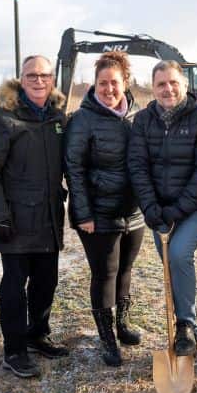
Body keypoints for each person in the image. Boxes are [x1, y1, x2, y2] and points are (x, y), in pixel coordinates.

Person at [0, 55, 68, 379]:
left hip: (48, 217)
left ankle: (37, 334)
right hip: (14, 220)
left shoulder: (57, 119)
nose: (38, 81)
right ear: (21, 79)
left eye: (44, 75)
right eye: (32, 76)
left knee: (47, 281)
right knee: (15, 287)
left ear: (52, 79)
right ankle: (14, 350)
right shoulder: (2, 118)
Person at [128, 60, 197, 357]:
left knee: (179, 255)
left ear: (184, 85)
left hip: (194, 207)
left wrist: (177, 210)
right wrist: (150, 206)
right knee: (170, 265)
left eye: (173, 83)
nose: (167, 89)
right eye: (160, 84)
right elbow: (138, 165)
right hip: (159, 209)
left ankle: (186, 325)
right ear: (153, 88)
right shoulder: (143, 120)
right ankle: (185, 326)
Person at [64, 52, 145, 367]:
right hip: (98, 215)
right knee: (105, 273)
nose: (109, 89)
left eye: (114, 82)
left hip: (133, 213)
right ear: (93, 84)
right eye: (102, 83)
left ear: (125, 83)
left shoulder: (137, 117)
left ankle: (123, 323)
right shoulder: (82, 120)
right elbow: (74, 168)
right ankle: (106, 336)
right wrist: (83, 214)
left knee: (125, 270)